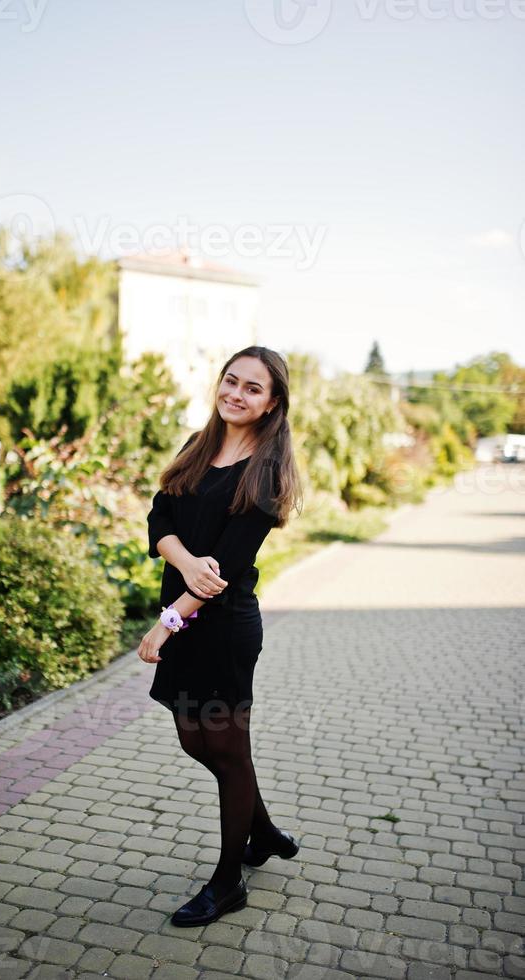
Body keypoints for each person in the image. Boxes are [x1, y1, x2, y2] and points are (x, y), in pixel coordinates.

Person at [138, 345, 304, 927]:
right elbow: (160, 516)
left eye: (252, 388)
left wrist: (167, 622)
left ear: (272, 402)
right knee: (195, 741)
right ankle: (262, 831)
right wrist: (184, 561)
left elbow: (224, 570)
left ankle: (229, 880)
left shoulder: (267, 471)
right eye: (230, 381)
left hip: (223, 628)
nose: (235, 393)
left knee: (228, 753)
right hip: (185, 612)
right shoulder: (199, 445)